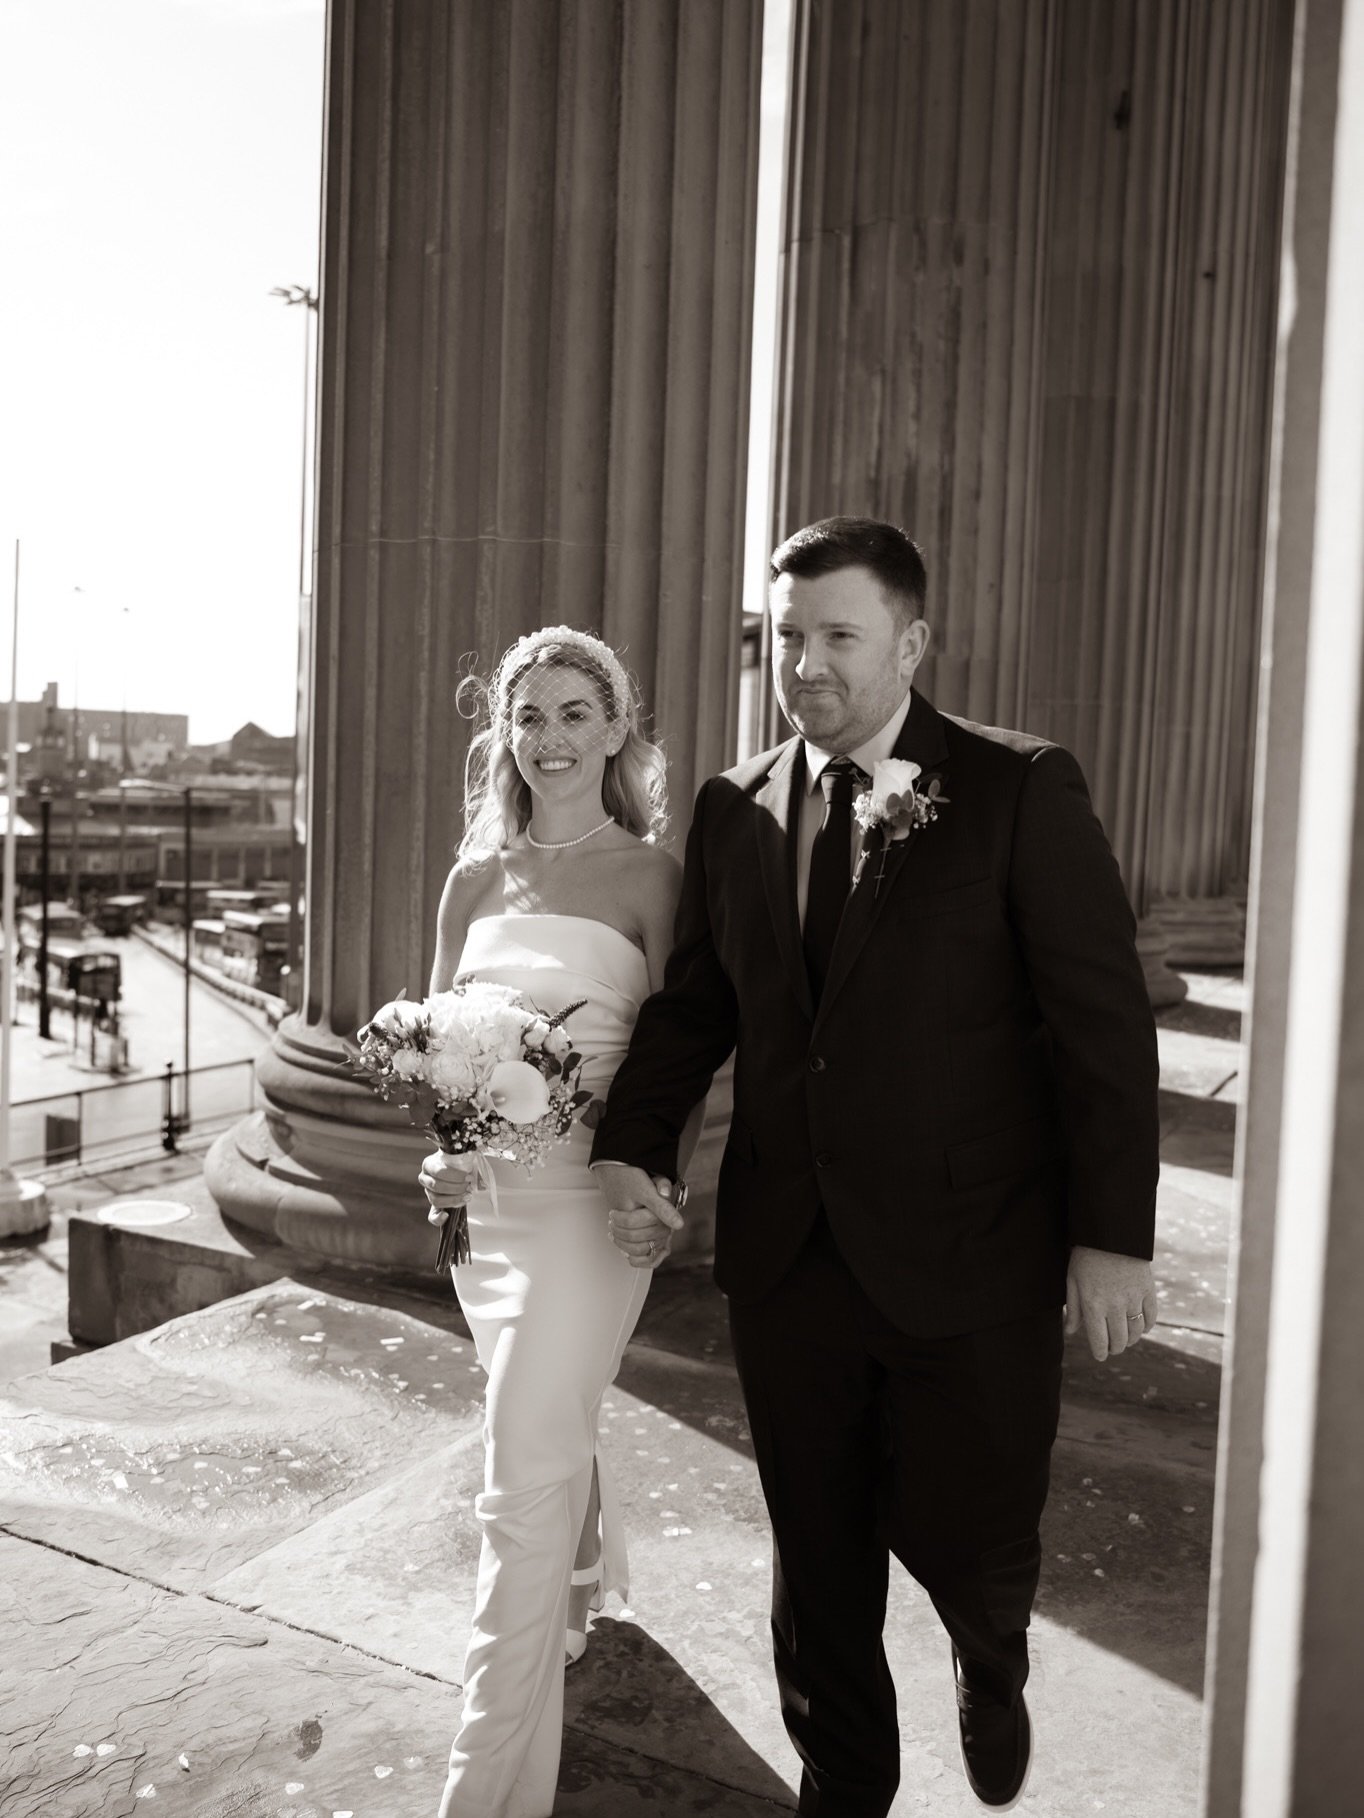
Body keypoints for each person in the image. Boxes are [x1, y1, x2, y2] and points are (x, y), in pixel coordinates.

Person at [591, 518, 1161, 1815]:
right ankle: (844, 1779)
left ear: (910, 641)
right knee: (820, 1549)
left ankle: (990, 1646)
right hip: (790, 1253)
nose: (805, 663)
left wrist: (1113, 1235)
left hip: (979, 1255)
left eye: (837, 636)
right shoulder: (736, 808)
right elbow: (695, 1007)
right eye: (787, 636)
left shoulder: (1020, 789)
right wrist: (636, 1146)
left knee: (978, 1527)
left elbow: (1100, 1022)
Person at [419, 625, 685, 1818]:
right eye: (530, 716)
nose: (552, 737)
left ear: (616, 729)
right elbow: (436, 1053)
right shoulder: (470, 880)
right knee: (537, 1420)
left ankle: (485, 1789)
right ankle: (580, 1573)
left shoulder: (650, 876)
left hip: (591, 1212)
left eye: (577, 713)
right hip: (485, 1217)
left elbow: (683, 1056)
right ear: (504, 734)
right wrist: (440, 1159)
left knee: (514, 1471)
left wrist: (666, 1192)